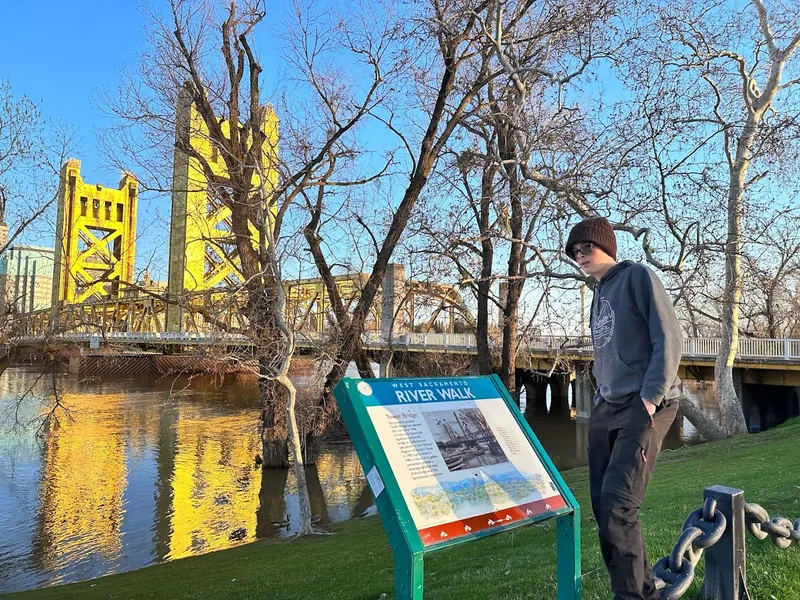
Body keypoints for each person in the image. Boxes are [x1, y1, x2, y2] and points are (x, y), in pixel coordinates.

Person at [566, 216, 682, 600]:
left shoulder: (638, 277)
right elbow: (607, 352)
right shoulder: (599, 292)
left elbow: (668, 338)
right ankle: (637, 589)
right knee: (602, 508)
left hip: (645, 403)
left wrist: (649, 398)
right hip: (608, 405)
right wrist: (601, 395)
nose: (580, 255)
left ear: (607, 247)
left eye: (587, 248)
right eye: (575, 251)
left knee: (619, 505)